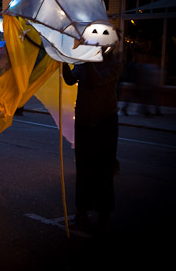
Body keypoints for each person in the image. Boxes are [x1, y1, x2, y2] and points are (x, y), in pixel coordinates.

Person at [62, 47, 122, 234]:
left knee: (103, 172)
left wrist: (88, 60)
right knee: (83, 170)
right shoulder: (85, 61)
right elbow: (71, 79)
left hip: (105, 122)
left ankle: (104, 216)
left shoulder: (115, 64)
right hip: (83, 122)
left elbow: (98, 80)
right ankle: (82, 214)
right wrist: (62, 61)